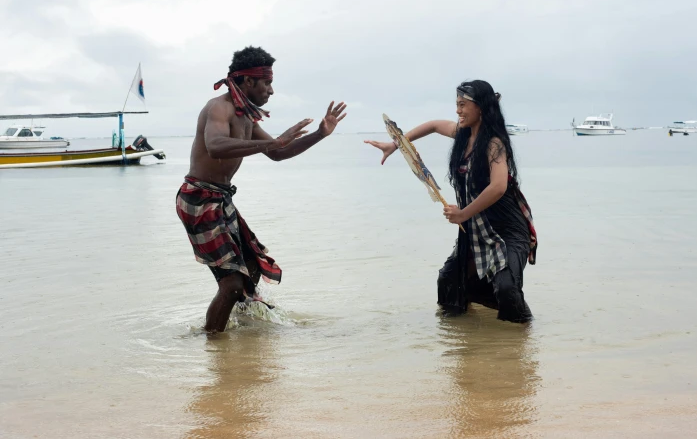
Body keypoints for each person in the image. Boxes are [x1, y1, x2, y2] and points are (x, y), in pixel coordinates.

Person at [176, 46, 347, 332]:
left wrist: (320, 133)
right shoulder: (219, 107)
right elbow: (215, 146)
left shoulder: (246, 116)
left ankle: (244, 335)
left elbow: (279, 153)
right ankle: (214, 345)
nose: (271, 91)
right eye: (267, 83)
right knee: (231, 285)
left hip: (220, 198)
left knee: (252, 270)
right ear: (247, 81)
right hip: (198, 199)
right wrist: (273, 143)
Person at [365, 80, 537, 323]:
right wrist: (396, 145)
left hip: (506, 229)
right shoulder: (461, 135)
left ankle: (521, 344)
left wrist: (463, 213)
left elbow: (498, 187)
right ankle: (460, 342)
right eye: (456, 104)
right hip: (475, 229)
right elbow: (434, 125)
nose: (458, 110)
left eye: (463, 105)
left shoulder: (494, 143)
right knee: (449, 281)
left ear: (480, 107)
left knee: (507, 288)